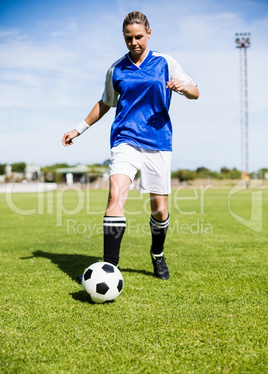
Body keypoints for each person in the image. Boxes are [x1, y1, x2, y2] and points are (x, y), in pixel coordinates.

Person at [62, 11, 199, 280]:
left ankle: (157, 255)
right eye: (128, 38)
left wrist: (182, 87)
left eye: (138, 36)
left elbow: (196, 91)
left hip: (158, 142)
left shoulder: (164, 61)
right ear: (123, 38)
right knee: (115, 196)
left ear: (148, 33)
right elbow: (104, 103)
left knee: (159, 209)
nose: (134, 42)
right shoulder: (116, 69)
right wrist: (78, 129)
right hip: (125, 138)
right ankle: (109, 268)